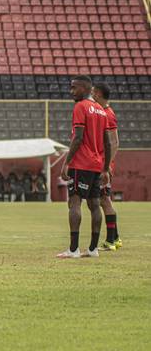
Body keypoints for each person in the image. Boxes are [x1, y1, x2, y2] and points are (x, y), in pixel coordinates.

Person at [58, 75, 112, 259]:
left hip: (81, 164)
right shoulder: (101, 110)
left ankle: (73, 250)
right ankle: (93, 249)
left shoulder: (80, 107)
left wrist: (66, 162)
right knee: (95, 205)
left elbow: (78, 138)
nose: (71, 91)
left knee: (74, 202)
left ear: (85, 88)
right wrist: (105, 168)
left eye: (74, 88)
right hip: (96, 165)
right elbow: (108, 143)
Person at [92, 82, 122, 251]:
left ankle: (111, 241)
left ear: (97, 94)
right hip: (102, 163)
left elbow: (114, 142)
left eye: (92, 92)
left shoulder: (107, 114)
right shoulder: (103, 112)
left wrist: (107, 164)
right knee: (105, 200)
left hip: (103, 164)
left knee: (104, 200)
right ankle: (115, 238)